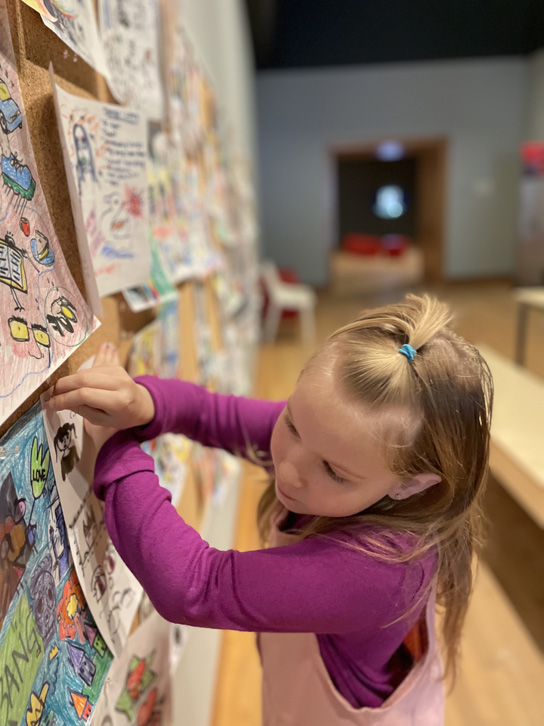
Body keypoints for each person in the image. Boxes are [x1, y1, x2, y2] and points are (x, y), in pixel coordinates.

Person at [47, 294, 493, 725]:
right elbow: (212, 414)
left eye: (333, 473)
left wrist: (114, 446)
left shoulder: (381, 572)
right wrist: (145, 403)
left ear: (410, 484)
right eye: (291, 424)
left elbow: (194, 587)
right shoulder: (334, 437)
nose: (289, 470)